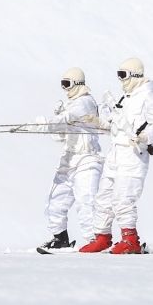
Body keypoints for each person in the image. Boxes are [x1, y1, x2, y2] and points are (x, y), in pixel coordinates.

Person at [79, 57, 153, 254]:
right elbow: (114, 124)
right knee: (104, 197)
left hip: (133, 155)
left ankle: (130, 240)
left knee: (123, 198)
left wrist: (145, 136)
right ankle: (102, 237)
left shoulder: (149, 97)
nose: (121, 80)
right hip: (115, 153)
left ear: (135, 75)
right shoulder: (125, 98)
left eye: (123, 75)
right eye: (119, 75)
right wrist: (97, 121)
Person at [34, 67, 103, 252]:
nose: (65, 89)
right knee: (55, 199)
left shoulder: (85, 102)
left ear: (77, 84)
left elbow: (68, 119)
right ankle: (60, 238)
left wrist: (48, 123)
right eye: (62, 84)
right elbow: (61, 135)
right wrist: (52, 123)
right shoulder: (70, 105)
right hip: (69, 159)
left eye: (67, 84)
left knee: (86, 201)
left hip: (87, 159)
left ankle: (94, 240)